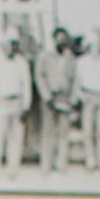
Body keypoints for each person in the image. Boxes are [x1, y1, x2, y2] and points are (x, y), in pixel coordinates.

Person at [34, 28, 79, 173]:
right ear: (53, 40)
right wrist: (47, 96)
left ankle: (61, 164)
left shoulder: (70, 58)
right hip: (49, 99)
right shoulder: (45, 56)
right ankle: (46, 165)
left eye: (64, 39)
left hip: (64, 98)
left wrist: (72, 98)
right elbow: (39, 76)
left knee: (64, 133)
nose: (61, 42)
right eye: (58, 39)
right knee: (48, 132)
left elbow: (74, 79)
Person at [0, 36, 33, 179]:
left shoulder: (22, 63)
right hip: (2, 103)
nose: (10, 47)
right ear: (3, 46)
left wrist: (26, 106)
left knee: (16, 138)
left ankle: (13, 170)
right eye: (8, 44)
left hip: (17, 103)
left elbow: (26, 85)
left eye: (14, 44)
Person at [75, 34, 100, 171]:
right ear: (89, 47)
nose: (95, 49)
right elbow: (77, 83)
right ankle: (90, 159)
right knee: (88, 131)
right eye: (93, 46)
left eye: (98, 46)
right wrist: (82, 96)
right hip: (88, 96)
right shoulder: (82, 62)